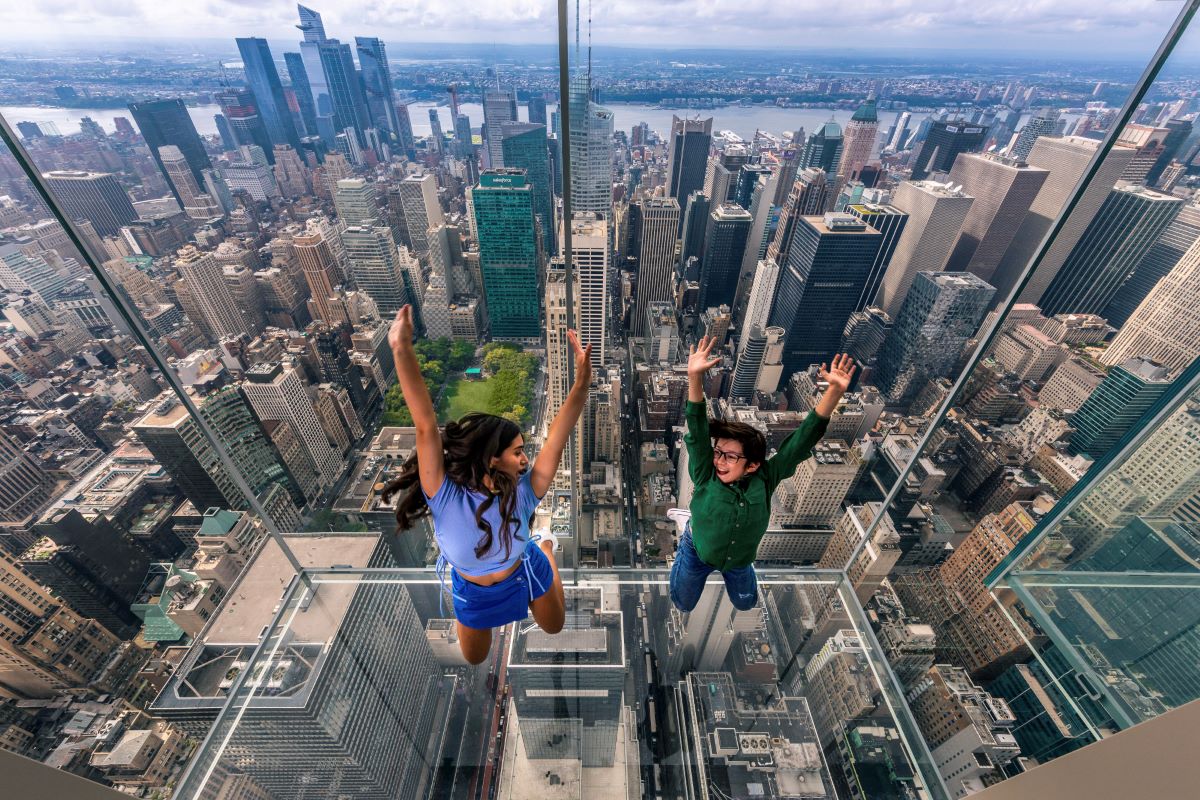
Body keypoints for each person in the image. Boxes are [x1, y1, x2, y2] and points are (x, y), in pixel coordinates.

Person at [382, 305, 593, 664]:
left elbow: (558, 437)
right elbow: (426, 427)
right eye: (518, 452)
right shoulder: (444, 495)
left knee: (555, 626)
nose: (526, 460)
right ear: (492, 457)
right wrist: (402, 350)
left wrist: (582, 382)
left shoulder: (524, 494)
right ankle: (538, 547)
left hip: (523, 570)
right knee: (475, 657)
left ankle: (545, 549)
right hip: (472, 589)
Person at [668, 335, 855, 613]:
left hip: (740, 559)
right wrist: (694, 378)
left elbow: (800, 442)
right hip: (698, 550)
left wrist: (834, 393)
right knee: (682, 603)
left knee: (746, 603)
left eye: (730, 457)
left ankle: (698, 525)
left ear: (752, 465)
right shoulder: (705, 473)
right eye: (718, 452)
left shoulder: (765, 478)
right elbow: (696, 432)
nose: (719, 460)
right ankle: (689, 525)